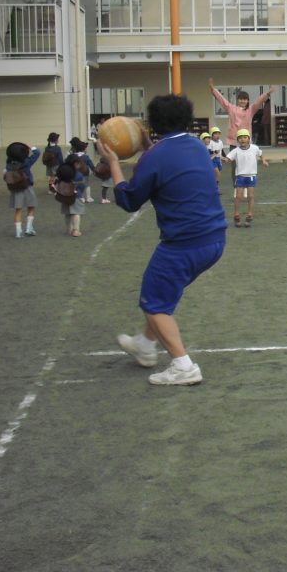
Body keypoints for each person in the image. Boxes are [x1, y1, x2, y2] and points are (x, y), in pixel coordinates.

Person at [98, 94, 228, 386]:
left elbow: (129, 200)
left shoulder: (154, 157)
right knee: (162, 291)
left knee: (154, 302)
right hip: (215, 239)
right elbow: (165, 160)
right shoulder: (196, 145)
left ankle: (183, 366)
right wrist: (145, 145)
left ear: (153, 124)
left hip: (184, 244)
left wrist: (113, 162)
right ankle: (145, 345)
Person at [208, 78, 274, 152]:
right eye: (241, 99)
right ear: (237, 100)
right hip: (234, 141)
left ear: (248, 101)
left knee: (247, 161)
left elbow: (259, 101)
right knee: (234, 162)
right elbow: (222, 100)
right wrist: (213, 89)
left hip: (246, 140)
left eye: (245, 99)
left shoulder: (250, 109)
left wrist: (268, 93)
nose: (242, 101)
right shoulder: (231, 108)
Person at [223, 128, 269, 228]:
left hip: (251, 176)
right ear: (237, 140)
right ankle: (236, 214)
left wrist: (264, 161)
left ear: (249, 139)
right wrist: (223, 159)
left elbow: (261, 154)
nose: (242, 139)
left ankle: (250, 215)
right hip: (240, 176)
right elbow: (227, 158)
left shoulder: (254, 148)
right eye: (240, 138)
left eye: (245, 137)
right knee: (238, 196)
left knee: (251, 196)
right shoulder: (235, 151)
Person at [5, 142, 40, 238]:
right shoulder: (26, 162)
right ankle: (29, 228)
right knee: (31, 206)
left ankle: (18, 232)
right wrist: (31, 146)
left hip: (15, 188)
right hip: (27, 186)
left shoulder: (8, 164)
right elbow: (37, 153)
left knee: (18, 209)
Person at [55, 160, 84, 237]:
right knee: (76, 213)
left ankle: (69, 229)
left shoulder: (63, 173)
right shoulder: (78, 174)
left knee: (67, 213)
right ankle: (76, 230)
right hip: (76, 196)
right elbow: (81, 186)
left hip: (64, 195)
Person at [70, 137, 96, 203]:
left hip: (74, 174)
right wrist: (94, 171)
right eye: (86, 148)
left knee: (76, 186)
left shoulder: (72, 156)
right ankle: (88, 197)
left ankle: (80, 197)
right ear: (83, 149)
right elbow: (91, 165)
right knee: (86, 185)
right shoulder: (86, 157)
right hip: (84, 174)